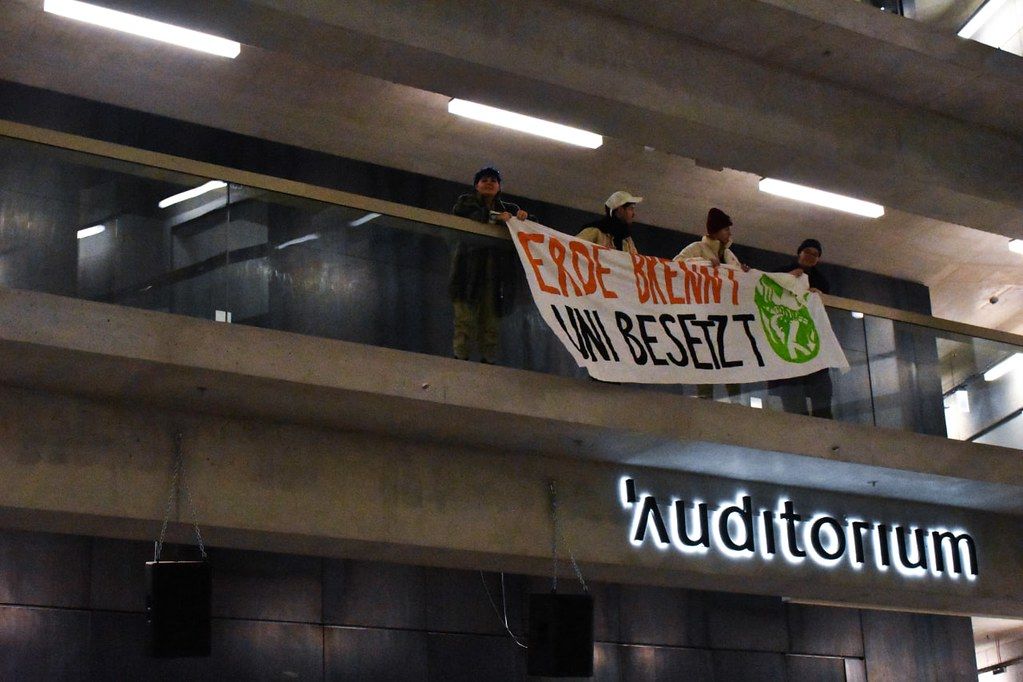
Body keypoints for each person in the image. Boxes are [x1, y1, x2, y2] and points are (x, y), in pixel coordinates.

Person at [449, 166, 529, 363]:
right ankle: (460, 360)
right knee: (464, 322)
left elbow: (530, 226)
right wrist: (495, 217)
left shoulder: (509, 209)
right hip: (466, 275)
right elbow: (464, 212)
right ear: (476, 185)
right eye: (484, 180)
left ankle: (488, 363)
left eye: (493, 180)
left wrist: (523, 218)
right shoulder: (466, 202)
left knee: (491, 325)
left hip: (495, 279)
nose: (489, 183)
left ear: (499, 186)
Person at [674, 208, 750, 401]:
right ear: (715, 231)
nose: (729, 234)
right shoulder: (697, 248)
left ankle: (737, 403)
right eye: (725, 229)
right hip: (704, 317)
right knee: (706, 359)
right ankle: (705, 400)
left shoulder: (729, 255)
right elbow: (675, 266)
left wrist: (744, 273)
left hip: (727, 319)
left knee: (730, 362)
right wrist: (704, 264)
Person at [767, 238, 834, 418]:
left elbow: (826, 308)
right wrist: (787, 278)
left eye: (815, 254)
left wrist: (819, 296)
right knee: (793, 397)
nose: (811, 257)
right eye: (808, 252)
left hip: (809, 338)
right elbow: (765, 287)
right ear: (800, 253)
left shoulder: (820, 280)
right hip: (787, 338)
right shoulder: (781, 271)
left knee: (821, 393)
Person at [576, 191, 642, 254]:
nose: (633, 214)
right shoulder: (594, 231)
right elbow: (573, 248)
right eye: (631, 209)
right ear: (620, 210)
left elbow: (634, 262)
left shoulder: (627, 240)